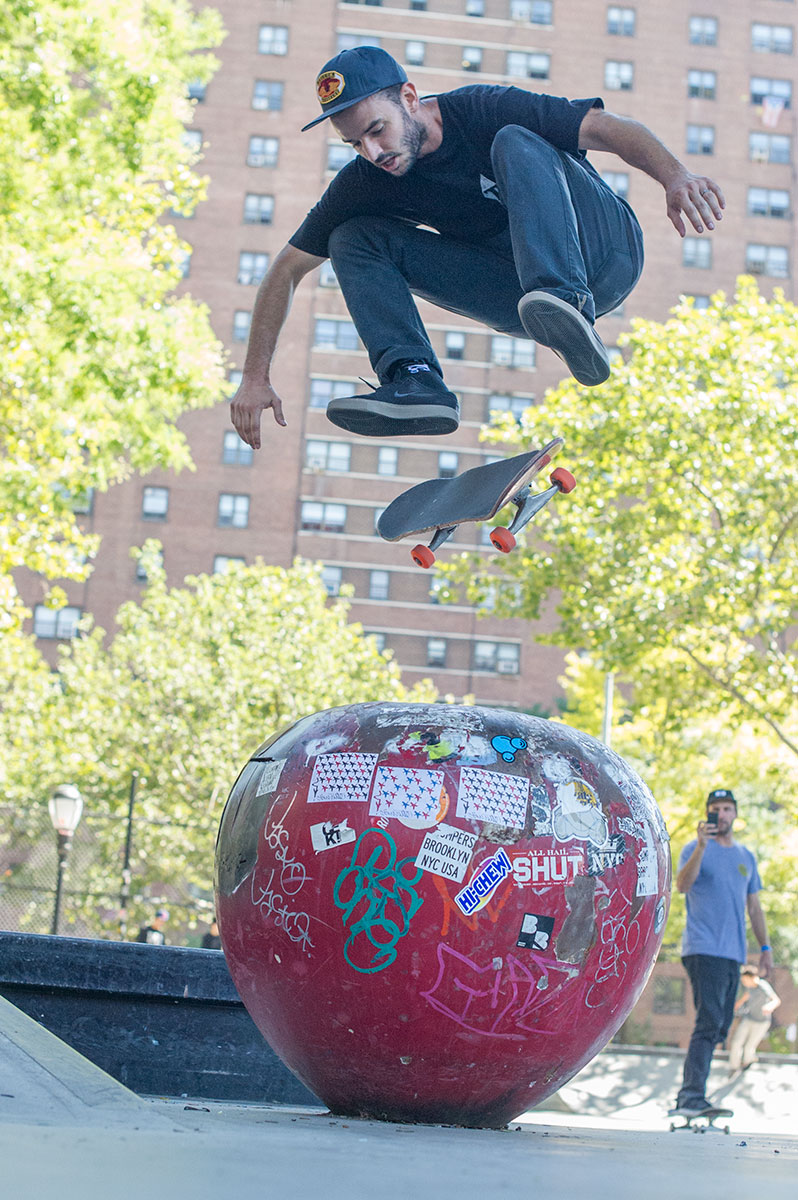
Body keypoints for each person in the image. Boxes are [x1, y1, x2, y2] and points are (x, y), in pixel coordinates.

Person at [231, 45, 724, 449]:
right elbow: (287, 269)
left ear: (408, 97)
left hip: (603, 249)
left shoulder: (482, 108)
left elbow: (601, 127)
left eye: (376, 131)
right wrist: (255, 376)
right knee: (352, 238)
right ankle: (416, 379)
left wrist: (674, 175)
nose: (373, 153)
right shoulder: (368, 182)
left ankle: (567, 301)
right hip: (518, 292)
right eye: (356, 144)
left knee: (513, 139)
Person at [670, 788, 773, 1117]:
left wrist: (765, 948)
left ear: (735, 814)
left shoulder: (745, 857)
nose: (722, 814)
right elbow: (683, 885)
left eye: (728, 808)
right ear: (709, 813)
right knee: (709, 1020)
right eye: (716, 808)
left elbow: (754, 907)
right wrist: (701, 846)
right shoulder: (694, 847)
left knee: (721, 1026)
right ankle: (689, 1097)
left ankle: (693, 1095)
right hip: (703, 947)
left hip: (734, 953)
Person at [728, 964, 780, 1074]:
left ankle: (748, 1061)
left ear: (751, 978)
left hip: (762, 1022)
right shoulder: (749, 987)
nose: (743, 982)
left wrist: (769, 1006)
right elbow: (745, 997)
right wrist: (737, 1005)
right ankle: (734, 1066)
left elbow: (776, 1000)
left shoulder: (763, 986)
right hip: (749, 1018)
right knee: (737, 1042)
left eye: (745, 980)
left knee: (749, 1046)